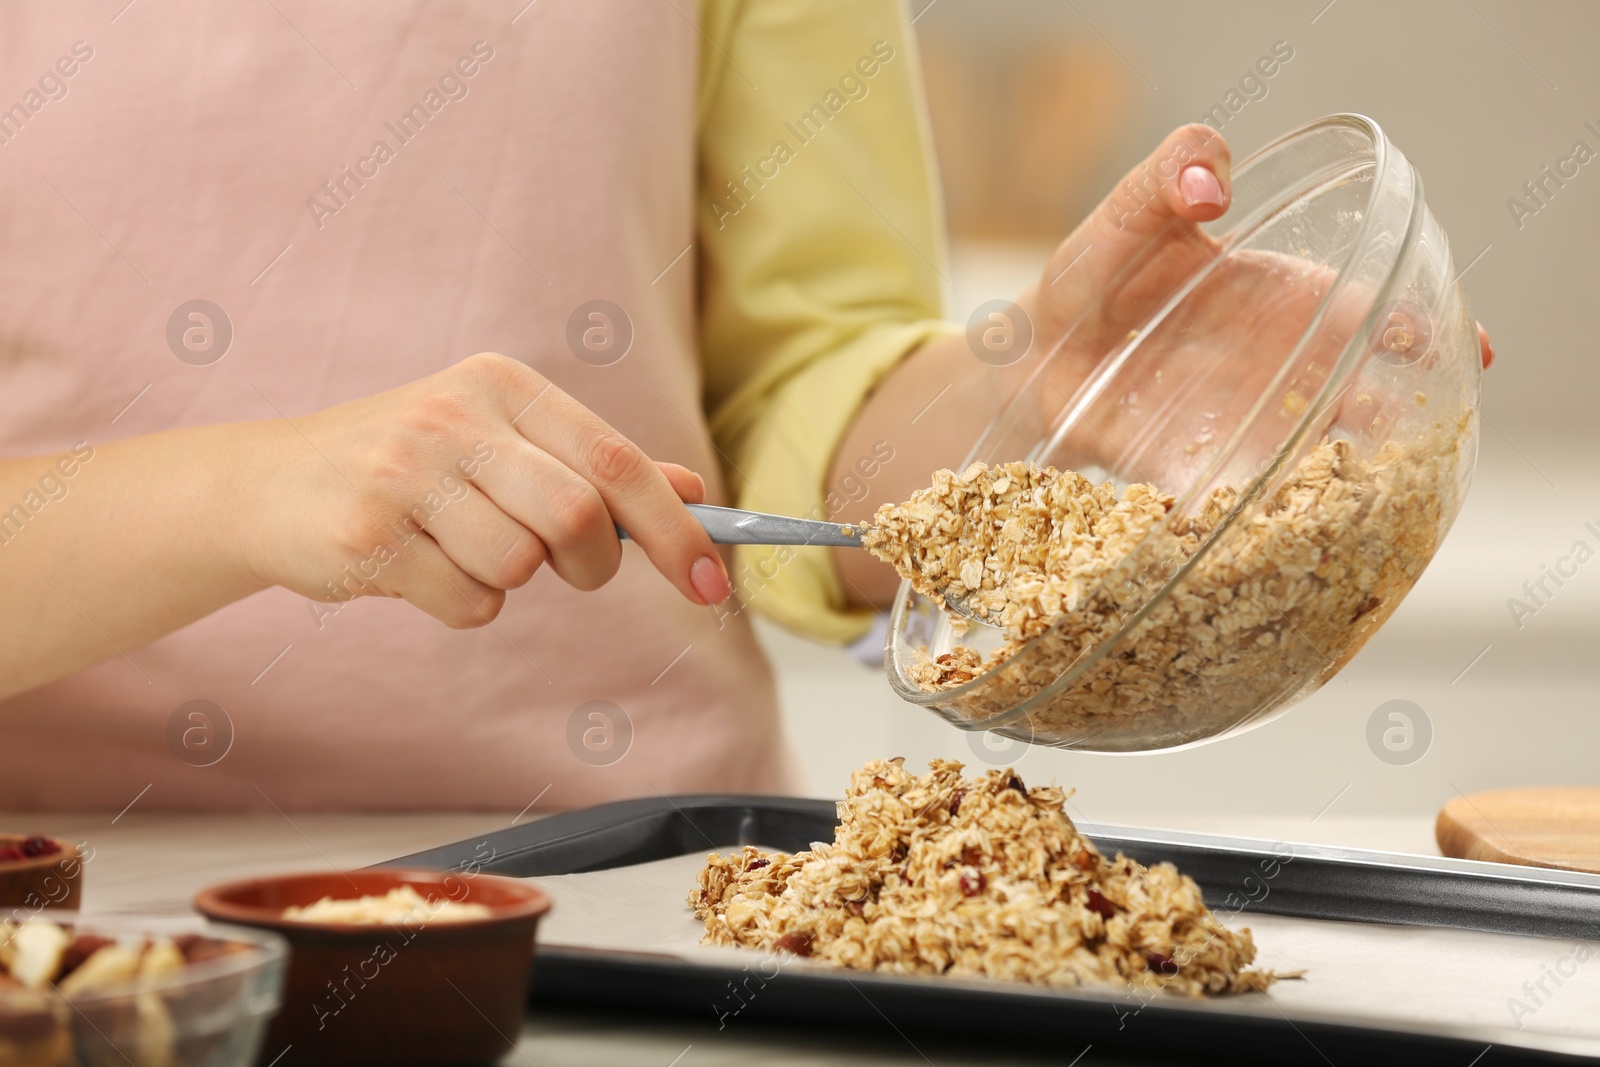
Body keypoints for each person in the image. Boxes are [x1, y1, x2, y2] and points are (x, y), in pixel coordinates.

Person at [0, 2, 1491, 810]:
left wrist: (1028, 392)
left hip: (636, 886)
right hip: (74, 911)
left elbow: (800, 378)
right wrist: (236, 495)